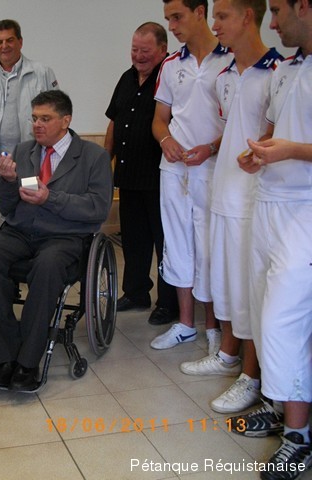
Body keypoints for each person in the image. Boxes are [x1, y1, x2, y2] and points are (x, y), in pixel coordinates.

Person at [180, 0, 282, 416]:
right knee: (224, 283)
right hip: (222, 193)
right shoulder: (224, 76)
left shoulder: (277, 73)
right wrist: (214, 148)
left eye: (222, 16)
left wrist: (258, 153)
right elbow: (233, 130)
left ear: (247, 17)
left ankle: (252, 378)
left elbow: (276, 136)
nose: (214, 24)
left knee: (250, 290)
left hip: (253, 201)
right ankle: (227, 354)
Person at [0, 90, 113, 391]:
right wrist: (7, 182)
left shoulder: (93, 157)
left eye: (45, 119)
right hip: (21, 231)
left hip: (64, 236)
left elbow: (98, 208)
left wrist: (51, 198)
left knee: (48, 266)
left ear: (65, 121)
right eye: (34, 118)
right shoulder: (24, 151)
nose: (37, 125)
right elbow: (6, 207)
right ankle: (3, 355)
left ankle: (27, 361)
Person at [234, 0, 312, 477]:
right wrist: (260, 153)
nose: (274, 22)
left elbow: (295, 143)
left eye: (280, 10)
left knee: (284, 318)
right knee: (263, 311)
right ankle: (281, 408)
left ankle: (299, 437)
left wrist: (291, 151)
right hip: (268, 202)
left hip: (305, 209)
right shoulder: (287, 68)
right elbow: (273, 131)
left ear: (305, 6)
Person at [150, 0, 233, 351]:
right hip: (174, 169)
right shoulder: (170, 65)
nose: (172, 26)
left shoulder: (230, 60)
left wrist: (210, 148)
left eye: (177, 17)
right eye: (168, 18)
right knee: (177, 243)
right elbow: (159, 120)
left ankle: (213, 326)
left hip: (213, 168)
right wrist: (166, 140)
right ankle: (185, 324)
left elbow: (240, 123)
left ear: (200, 12)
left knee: (209, 247)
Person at [104, 22, 180, 325]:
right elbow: (114, 121)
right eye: (134, 49)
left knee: (164, 243)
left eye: (145, 51)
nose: (138, 56)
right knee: (134, 240)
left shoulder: (169, 78)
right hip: (129, 176)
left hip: (160, 177)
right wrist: (105, 161)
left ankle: (169, 303)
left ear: (162, 50)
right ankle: (136, 292)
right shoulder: (127, 78)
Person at [0, 19, 59, 221]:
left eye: (10, 40)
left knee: (32, 207)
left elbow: (56, 112)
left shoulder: (41, 72)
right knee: (4, 210)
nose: (4, 46)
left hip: (31, 160)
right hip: (1, 161)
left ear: (20, 42)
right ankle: (7, 242)